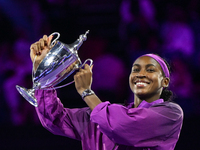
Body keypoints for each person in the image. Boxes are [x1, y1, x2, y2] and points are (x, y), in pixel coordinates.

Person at [30, 35, 183, 150]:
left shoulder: (170, 114)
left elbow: (120, 126)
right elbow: (54, 119)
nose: (140, 74)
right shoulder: (100, 114)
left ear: (165, 82)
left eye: (150, 70)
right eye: (135, 69)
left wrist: (86, 92)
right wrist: (44, 69)